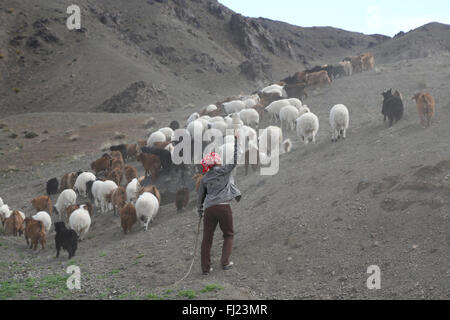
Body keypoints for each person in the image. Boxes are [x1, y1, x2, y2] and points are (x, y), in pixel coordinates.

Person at [197, 134, 242, 275]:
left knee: (207, 238)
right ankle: (225, 262)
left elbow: (200, 198)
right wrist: (236, 141)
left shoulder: (204, 179)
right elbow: (235, 159)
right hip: (223, 207)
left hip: (209, 209)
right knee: (228, 234)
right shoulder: (224, 170)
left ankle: (205, 268)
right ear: (217, 162)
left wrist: (200, 211)